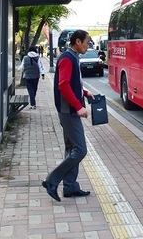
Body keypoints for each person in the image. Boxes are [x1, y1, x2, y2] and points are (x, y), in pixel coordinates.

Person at [42, 30, 95, 202]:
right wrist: (79, 107)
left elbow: (73, 83)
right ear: (78, 42)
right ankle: (52, 180)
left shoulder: (72, 57)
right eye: (87, 42)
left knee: (71, 148)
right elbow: (63, 85)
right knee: (80, 150)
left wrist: (84, 93)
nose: (89, 46)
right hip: (69, 111)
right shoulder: (67, 58)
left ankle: (70, 187)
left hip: (68, 110)